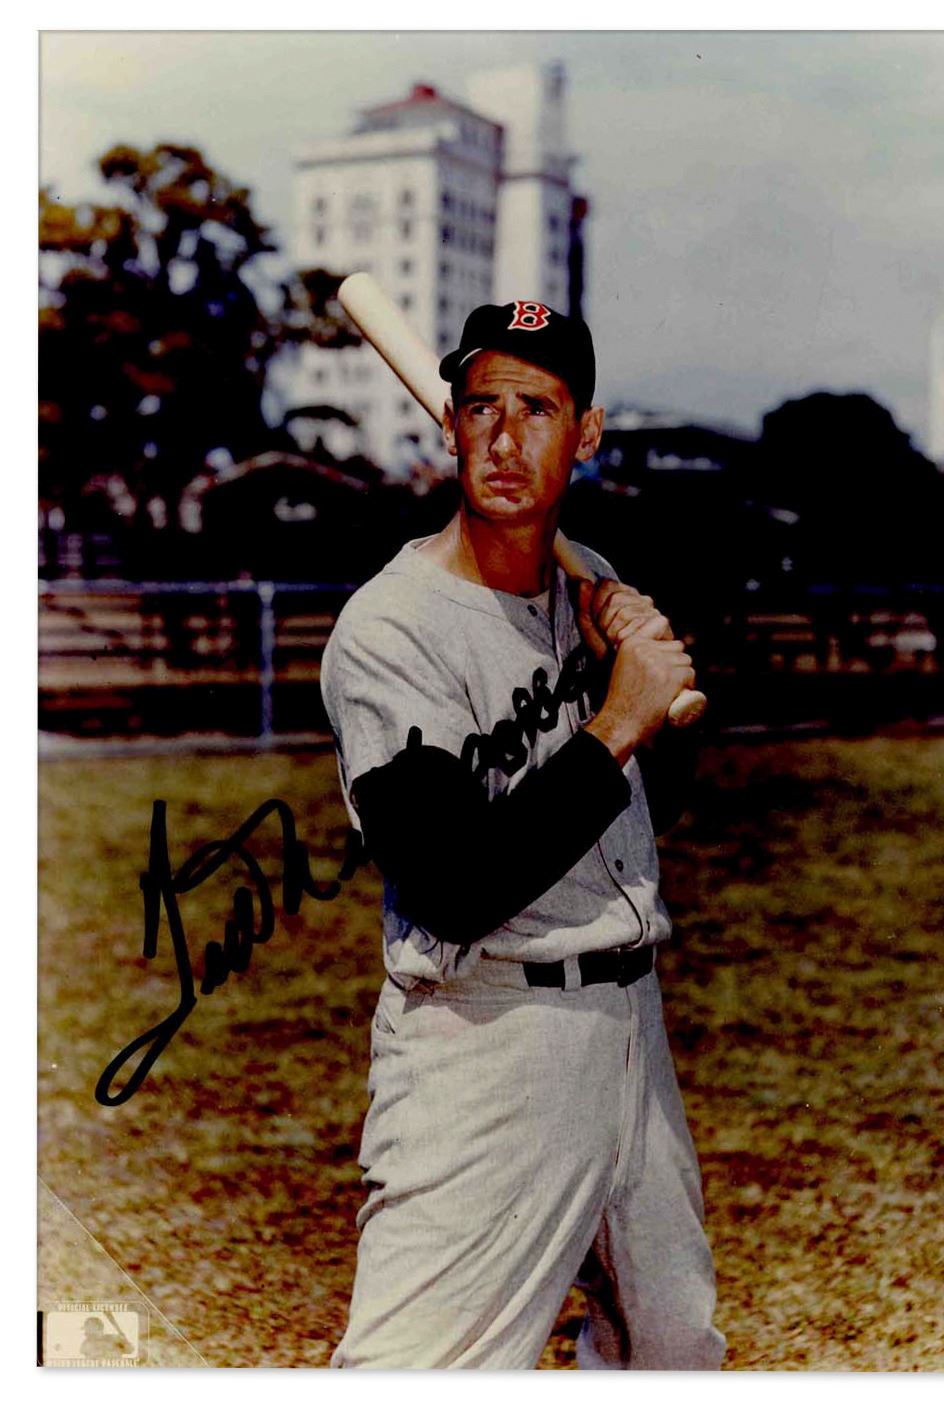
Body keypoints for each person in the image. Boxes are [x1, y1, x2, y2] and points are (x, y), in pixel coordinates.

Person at [321, 299, 726, 1370]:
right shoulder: (391, 628)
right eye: (481, 407)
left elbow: (649, 809)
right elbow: (454, 885)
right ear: (449, 424)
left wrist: (649, 694)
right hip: (486, 1039)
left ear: (585, 432)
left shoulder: (582, 581)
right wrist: (618, 719)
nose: (505, 439)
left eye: (536, 409)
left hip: (629, 1024)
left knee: (672, 1351)